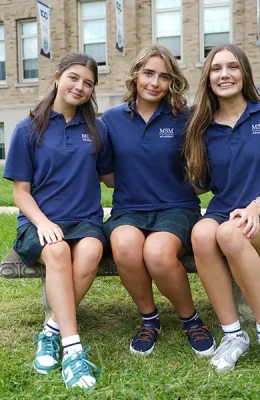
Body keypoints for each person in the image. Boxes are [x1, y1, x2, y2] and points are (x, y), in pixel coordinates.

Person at [184, 44, 260, 375]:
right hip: (222, 212)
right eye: (217, 69)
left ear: (244, 73)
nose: (225, 75)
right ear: (208, 79)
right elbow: (201, 184)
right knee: (202, 233)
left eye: (233, 67)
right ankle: (233, 335)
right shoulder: (202, 127)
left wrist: (255, 207)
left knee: (229, 233)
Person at [3, 52, 114, 391]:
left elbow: (111, 179)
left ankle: (49, 331)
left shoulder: (97, 129)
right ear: (57, 77)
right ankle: (73, 349)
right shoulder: (28, 129)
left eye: (88, 83)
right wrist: (42, 223)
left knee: (93, 251)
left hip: (85, 221)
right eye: (74, 78)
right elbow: (21, 192)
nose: (80, 87)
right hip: (39, 223)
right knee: (56, 252)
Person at [101, 44, 215, 357]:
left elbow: (205, 169)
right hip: (129, 210)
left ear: (171, 83)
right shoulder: (111, 120)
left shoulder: (185, 118)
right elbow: (107, 175)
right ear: (136, 75)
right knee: (124, 246)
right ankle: (149, 319)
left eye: (163, 76)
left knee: (158, 253)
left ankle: (190, 319)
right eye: (148, 73)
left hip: (176, 208)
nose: (154, 82)